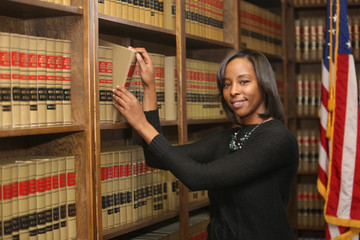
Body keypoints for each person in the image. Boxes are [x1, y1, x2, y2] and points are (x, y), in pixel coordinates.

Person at [112, 48, 299, 240]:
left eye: (244, 81)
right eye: (227, 84)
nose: (233, 91)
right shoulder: (226, 138)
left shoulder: (278, 139)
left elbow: (197, 177)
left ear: (264, 84)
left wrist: (142, 124)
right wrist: (149, 88)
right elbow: (155, 156)